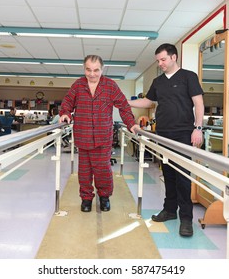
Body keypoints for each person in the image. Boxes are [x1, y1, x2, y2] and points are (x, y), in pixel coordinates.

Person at [128, 43, 204, 237]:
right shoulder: (158, 81)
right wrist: (124, 101)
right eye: (158, 60)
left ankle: (186, 218)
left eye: (163, 59)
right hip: (163, 132)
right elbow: (148, 101)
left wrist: (198, 128)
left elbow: (198, 103)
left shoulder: (189, 77)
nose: (160, 63)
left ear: (173, 57)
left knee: (183, 177)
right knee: (168, 173)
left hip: (184, 133)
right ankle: (170, 210)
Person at [59, 55, 139, 213]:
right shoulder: (78, 85)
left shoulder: (110, 85)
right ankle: (86, 198)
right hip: (83, 135)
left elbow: (123, 105)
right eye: (88, 70)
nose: (92, 74)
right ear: (84, 69)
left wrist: (131, 123)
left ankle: (104, 197)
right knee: (84, 171)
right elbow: (67, 101)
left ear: (102, 70)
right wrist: (65, 113)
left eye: (96, 70)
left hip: (103, 137)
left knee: (103, 170)